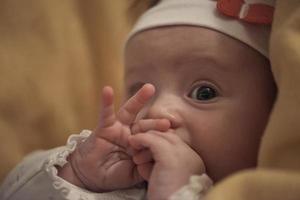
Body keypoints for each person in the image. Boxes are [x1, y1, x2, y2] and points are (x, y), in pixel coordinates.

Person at [0, 0, 277, 199]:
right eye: (139, 93)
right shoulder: (119, 184)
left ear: (276, 114)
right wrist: (78, 176)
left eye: (204, 93)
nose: (155, 110)